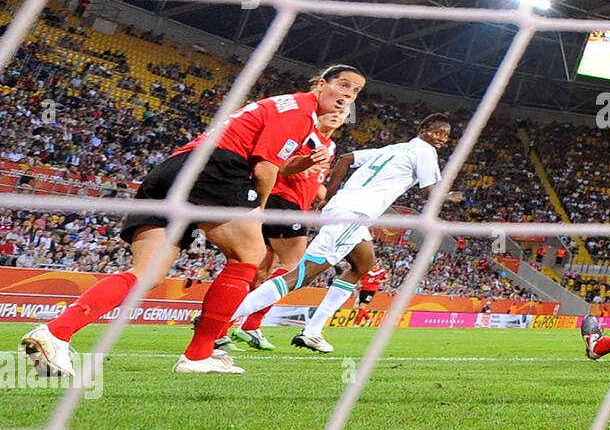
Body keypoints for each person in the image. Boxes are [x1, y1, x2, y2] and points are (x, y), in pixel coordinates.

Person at [20, 65, 365, 376]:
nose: (347, 96)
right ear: (321, 84)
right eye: (343, 86)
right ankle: (199, 354)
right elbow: (263, 167)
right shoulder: (299, 112)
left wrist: (301, 165)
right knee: (250, 255)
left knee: (147, 275)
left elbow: (272, 159)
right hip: (215, 169)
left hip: (175, 169)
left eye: (355, 92)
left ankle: (56, 332)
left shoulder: (283, 108)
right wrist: (258, 208)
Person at [226, 113, 461, 355]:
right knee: (303, 274)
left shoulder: (395, 149)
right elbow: (429, 192)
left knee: (363, 264)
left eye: (446, 135)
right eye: (437, 132)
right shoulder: (425, 151)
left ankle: (313, 332)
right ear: (423, 129)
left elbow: (346, 159)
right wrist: (450, 196)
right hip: (354, 214)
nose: (441, 138)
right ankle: (220, 318)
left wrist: (329, 197)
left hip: (348, 212)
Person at [227, 107, 348, 352]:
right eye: (335, 108)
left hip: (289, 205)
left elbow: (315, 183)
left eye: (344, 112)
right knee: (292, 265)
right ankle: (247, 323)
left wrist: (331, 201)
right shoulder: (306, 134)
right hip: (283, 201)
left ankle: (223, 327)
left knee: (259, 271)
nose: (339, 113)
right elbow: (283, 167)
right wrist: (307, 161)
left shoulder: (329, 146)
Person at [354, 262, 388, 326]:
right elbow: (359, 278)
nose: (375, 266)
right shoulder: (368, 271)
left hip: (371, 291)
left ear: (379, 265)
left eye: (376, 265)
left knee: (362, 306)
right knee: (361, 308)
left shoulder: (382, 272)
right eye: (374, 264)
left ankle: (356, 324)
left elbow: (387, 279)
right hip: (363, 290)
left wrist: (380, 281)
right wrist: (359, 284)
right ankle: (368, 318)